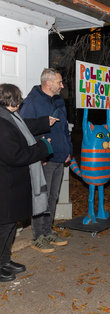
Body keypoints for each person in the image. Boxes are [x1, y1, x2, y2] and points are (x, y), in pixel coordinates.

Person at [0, 83, 54, 281]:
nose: (21, 100)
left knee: (10, 225)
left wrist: (44, 123)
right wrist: (42, 147)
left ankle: (5, 260)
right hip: (5, 185)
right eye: (18, 97)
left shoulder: (10, 117)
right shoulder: (2, 122)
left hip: (13, 184)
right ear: (10, 99)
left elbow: (26, 129)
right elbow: (15, 155)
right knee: (4, 227)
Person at [20, 68, 72, 253]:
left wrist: (69, 150)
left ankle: (48, 231)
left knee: (52, 197)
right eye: (59, 82)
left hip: (60, 156)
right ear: (48, 83)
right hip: (44, 159)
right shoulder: (32, 101)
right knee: (41, 197)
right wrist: (38, 154)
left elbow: (65, 127)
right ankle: (38, 236)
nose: (62, 85)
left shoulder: (58, 100)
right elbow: (23, 129)